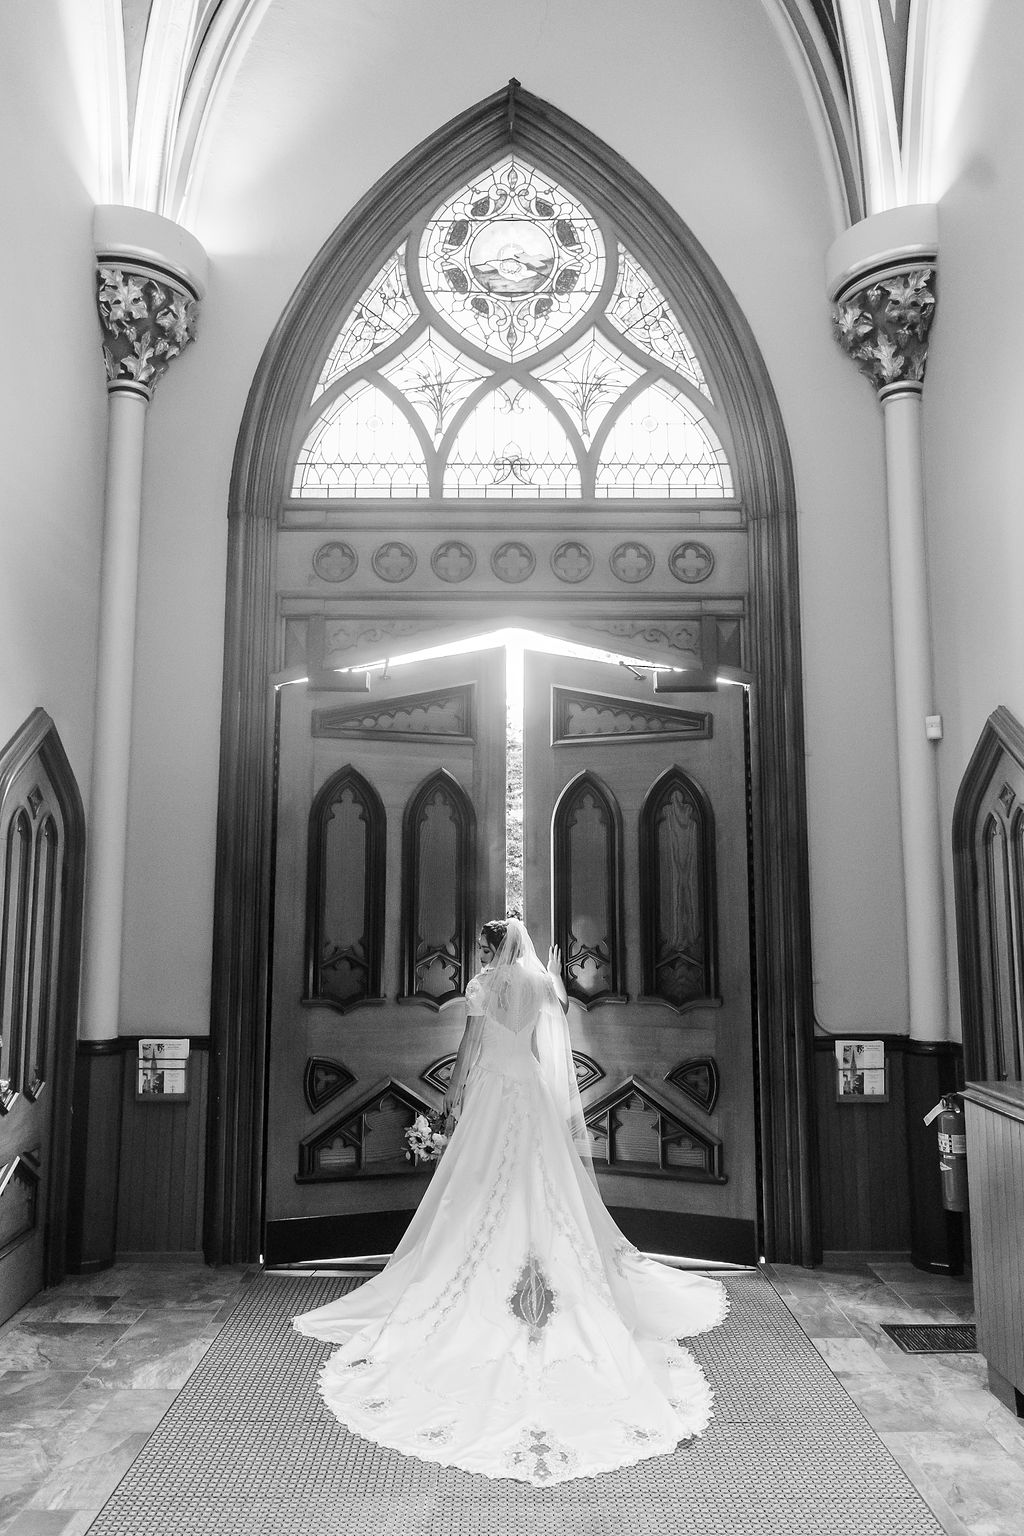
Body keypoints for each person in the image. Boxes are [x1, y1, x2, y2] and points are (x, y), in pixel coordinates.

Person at [293, 917, 727, 1486]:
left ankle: (474, 1269)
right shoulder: (542, 984)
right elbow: (558, 1023)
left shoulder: (482, 987)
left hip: (495, 1089)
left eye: (480, 945)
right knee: (542, 1183)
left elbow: (469, 1048)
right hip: (530, 1085)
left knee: (477, 1186)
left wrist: (451, 1098)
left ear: (492, 947)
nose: (478, 952)